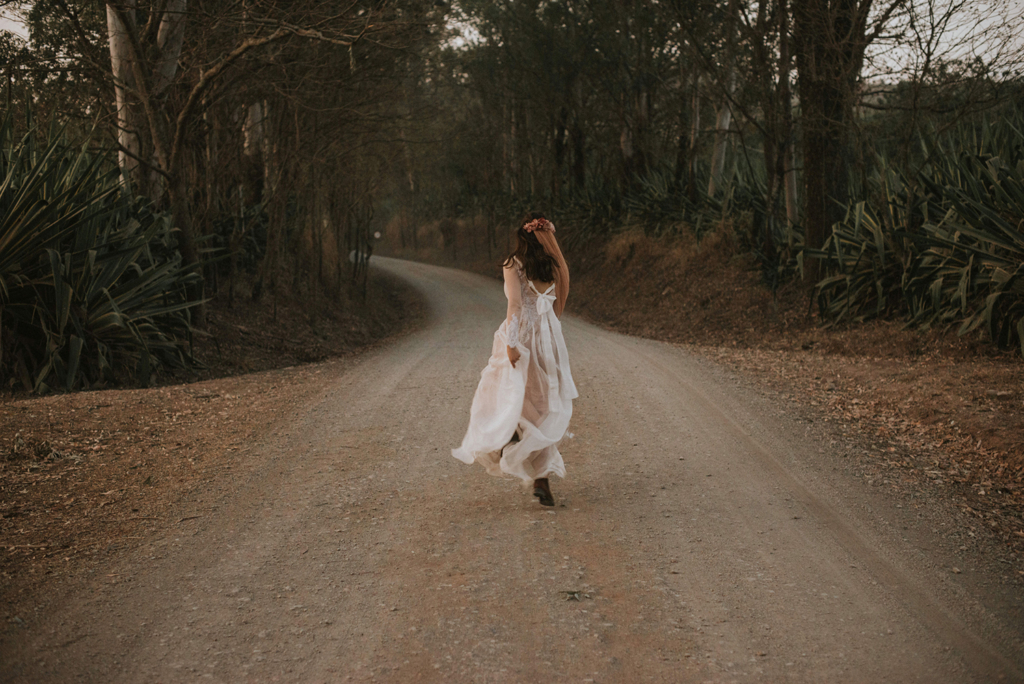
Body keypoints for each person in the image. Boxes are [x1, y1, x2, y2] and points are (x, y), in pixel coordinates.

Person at [452, 212, 577, 506]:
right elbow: (559, 302)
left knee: (509, 394)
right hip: (550, 339)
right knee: (544, 404)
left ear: (523, 236)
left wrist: (511, 345)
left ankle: (510, 437)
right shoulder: (554, 265)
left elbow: (515, 306)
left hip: (522, 336)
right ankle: (541, 478)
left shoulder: (514, 264)